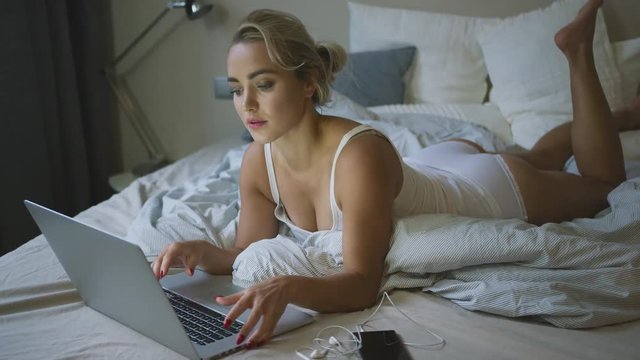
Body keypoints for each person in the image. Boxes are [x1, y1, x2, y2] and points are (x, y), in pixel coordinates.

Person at [153, 0, 639, 349]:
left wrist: (290, 286)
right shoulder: (258, 160)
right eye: (237, 89)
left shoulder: (358, 154)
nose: (248, 106)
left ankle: (577, 55)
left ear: (308, 83)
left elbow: (362, 282)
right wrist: (205, 253)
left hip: (483, 187)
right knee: (534, 154)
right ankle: (608, 122)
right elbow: (244, 249)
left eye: (263, 85)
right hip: (432, 165)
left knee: (600, 187)